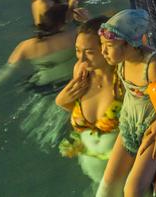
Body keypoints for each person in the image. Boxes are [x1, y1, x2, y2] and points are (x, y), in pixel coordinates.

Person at [97, 9, 156, 197]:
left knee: (132, 191)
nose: (103, 51)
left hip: (152, 133)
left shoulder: (154, 65)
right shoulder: (123, 59)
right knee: (107, 188)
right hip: (129, 126)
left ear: (128, 44)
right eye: (102, 45)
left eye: (108, 45)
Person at [0, 5, 78, 150]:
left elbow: (4, 74)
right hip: (71, 88)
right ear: (64, 22)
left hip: (44, 91)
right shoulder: (75, 35)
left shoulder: (25, 46)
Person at [56, 16, 125, 185]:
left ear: (107, 47)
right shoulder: (81, 72)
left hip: (121, 171)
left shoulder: (125, 77)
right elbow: (80, 115)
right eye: (78, 50)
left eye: (90, 52)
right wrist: (62, 102)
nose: (82, 59)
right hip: (90, 165)